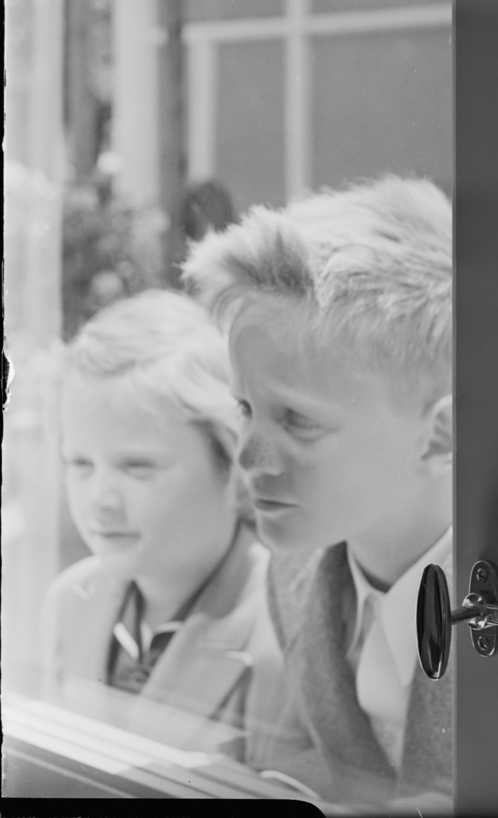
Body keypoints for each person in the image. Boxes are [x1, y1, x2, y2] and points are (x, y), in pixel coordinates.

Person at [181, 176, 454, 813]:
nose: (247, 456)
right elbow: (349, 762)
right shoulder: (293, 567)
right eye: (245, 408)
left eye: (298, 420)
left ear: (440, 436)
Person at [41, 289, 291, 765]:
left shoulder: (285, 629)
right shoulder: (69, 600)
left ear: (232, 463)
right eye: (80, 463)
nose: (101, 499)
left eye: (137, 466)